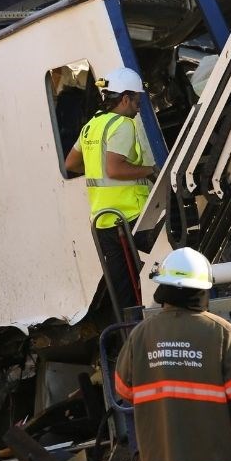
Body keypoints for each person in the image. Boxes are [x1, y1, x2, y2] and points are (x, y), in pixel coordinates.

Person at [114, 247, 231, 461]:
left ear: (163, 290)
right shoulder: (221, 332)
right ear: (202, 290)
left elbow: (123, 390)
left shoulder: (140, 335)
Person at [64, 66, 155, 317]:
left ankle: (132, 340)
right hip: (131, 218)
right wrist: (149, 170)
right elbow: (115, 170)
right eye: (137, 100)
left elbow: (70, 164)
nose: (139, 107)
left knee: (123, 290)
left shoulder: (91, 126)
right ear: (125, 98)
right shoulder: (123, 125)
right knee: (169, 263)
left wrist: (97, 168)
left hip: (103, 220)